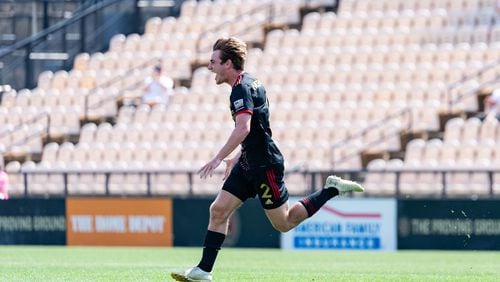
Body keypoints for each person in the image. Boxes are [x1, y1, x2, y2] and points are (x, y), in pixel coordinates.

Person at [170, 37, 364, 282]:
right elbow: (258, 130)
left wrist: (218, 158)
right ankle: (204, 271)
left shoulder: (241, 89)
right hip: (248, 161)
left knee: (284, 223)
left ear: (228, 63)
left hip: (265, 166)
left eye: (213, 62)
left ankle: (330, 189)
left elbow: (244, 129)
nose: (210, 68)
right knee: (218, 210)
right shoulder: (251, 83)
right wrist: (236, 157)